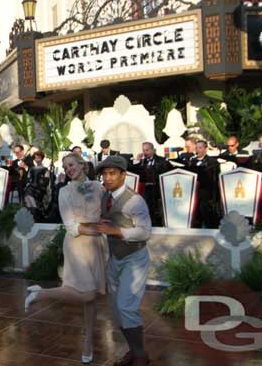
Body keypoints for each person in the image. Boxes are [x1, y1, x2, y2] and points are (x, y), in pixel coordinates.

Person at [25, 153, 106, 364]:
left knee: (93, 296)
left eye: (71, 164)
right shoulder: (64, 192)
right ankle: (41, 295)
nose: (69, 168)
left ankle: (88, 342)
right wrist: (98, 230)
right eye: (65, 166)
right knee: (87, 294)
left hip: (96, 246)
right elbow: (71, 226)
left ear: (82, 164)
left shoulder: (99, 187)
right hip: (77, 245)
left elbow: (105, 214)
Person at [95, 156, 152, 366]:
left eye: (112, 173)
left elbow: (145, 232)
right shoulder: (105, 196)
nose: (107, 178)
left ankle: (140, 356)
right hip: (115, 259)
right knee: (117, 310)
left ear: (123, 175)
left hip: (134, 259)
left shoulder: (135, 200)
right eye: (104, 174)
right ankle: (134, 350)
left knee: (126, 307)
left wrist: (116, 230)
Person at [131, 142, 172, 226]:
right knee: (146, 207)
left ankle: (158, 225)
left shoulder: (162, 160)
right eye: (143, 150)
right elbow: (134, 171)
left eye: (147, 150)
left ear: (153, 150)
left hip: (158, 188)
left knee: (157, 208)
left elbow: (167, 172)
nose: (145, 153)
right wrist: (137, 161)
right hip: (146, 188)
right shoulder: (142, 162)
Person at [188, 140, 221, 228]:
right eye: (196, 148)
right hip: (193, 191)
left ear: (206, 149)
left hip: (206, 191)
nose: (197, 150)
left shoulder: (212, 162)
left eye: (200, 148)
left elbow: (215, 179)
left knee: (205, 211)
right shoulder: (192, 161)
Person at [24, 151, 50, 221]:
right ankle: (32, 216)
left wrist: (41, 186)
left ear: (42, 158)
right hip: (30, 188)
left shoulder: (45, 169)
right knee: (28, 199)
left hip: (39, 189)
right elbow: (29, 178)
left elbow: (46, 181)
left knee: (34, 202)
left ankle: (35, 216)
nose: (37, 159)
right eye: (35, 158)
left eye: (39, 157)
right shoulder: (31, 169)